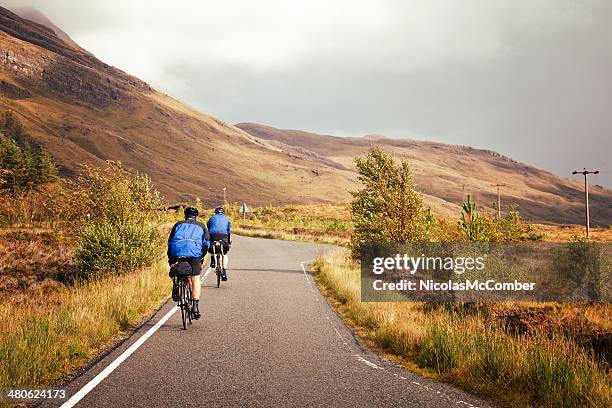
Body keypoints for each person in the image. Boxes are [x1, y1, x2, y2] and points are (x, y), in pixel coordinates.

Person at [167, 207, 209, 319]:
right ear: (196, 216)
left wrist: (171, 258)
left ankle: (176, 283)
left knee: (174, 267)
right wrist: (201, 256)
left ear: (185, 215)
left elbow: (170, 242)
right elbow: (206, 244)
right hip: (194, 253)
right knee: (195, 278)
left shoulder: (178, 224)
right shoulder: (201, 226)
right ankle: (195, 306)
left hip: (177, 252)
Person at [207, 207, 231, 281]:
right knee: (224, 254)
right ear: (223, 213)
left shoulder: (211, 218)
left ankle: (212, 260)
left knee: (211, 246)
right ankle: (224, 271)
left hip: (213, 236)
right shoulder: (227, 219)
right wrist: (228, 242)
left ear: (215, 213)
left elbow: (208, 228)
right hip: (224, 236)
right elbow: (228, 231)